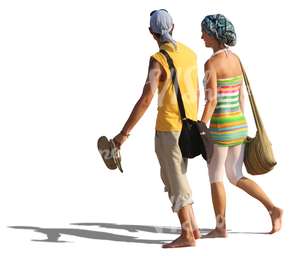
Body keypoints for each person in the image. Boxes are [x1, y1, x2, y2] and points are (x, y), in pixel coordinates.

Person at [113, 9, 200, 248]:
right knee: (177, 175)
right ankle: (193, 227)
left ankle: (187, 235)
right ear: (173, 26)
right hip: (188, 127)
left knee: (174, 177)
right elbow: (197, 90)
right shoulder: (191, 54)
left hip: (169, 128)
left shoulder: (158, 59)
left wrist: (124, 133)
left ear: (152, 33)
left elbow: (146, 98)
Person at [199, 14, 283, 238]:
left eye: (204, 33)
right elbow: (241, 95)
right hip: (239, 124)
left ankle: (220, 227)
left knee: (215, 177)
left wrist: (200, 125)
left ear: (214, 35)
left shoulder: (210, 64)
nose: (201, 37)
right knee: (235, 175)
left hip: (220, 128)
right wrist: (240, 122)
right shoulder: (236, 59)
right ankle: (273, 208)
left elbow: (212, 100)